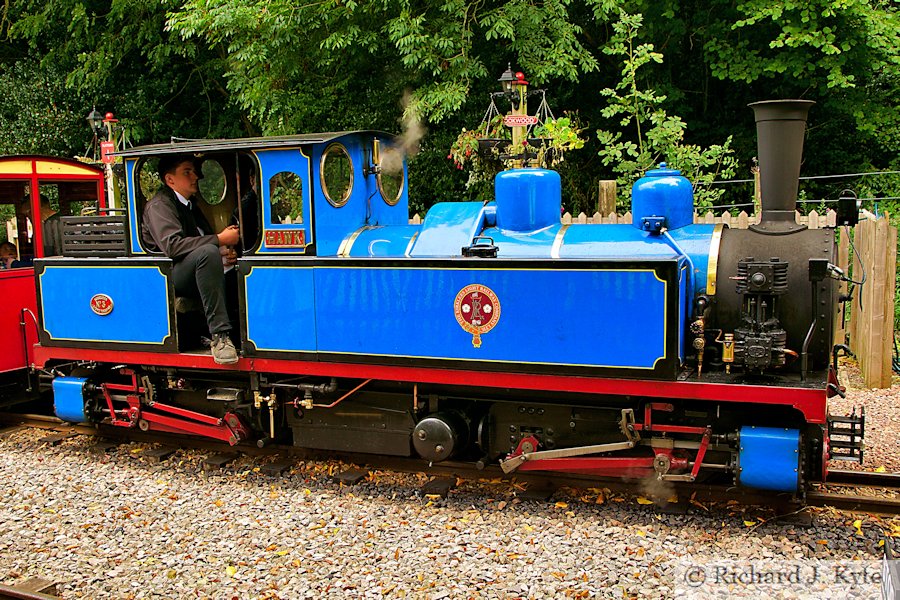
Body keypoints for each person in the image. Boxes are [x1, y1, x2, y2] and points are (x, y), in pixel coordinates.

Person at [140, 154, 241, 365]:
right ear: (170, 180)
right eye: (188, 172)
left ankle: (241, 332)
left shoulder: (190, 205)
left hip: (190, 267)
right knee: (208, 253)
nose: (196, 176)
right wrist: (219, 240)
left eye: (193, 171)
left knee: (239, 268)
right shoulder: (160, 206)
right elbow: (173, 246)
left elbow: (198, 241)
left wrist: (223, 253)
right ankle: (220, 336)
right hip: (167, 275)